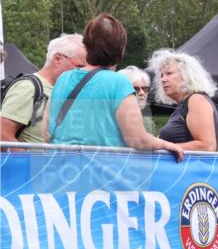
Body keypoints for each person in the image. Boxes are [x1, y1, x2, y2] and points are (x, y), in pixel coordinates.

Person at [42, 15, 183, 160]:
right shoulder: (119, 83)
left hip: (60, 171)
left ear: (87, 45)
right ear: (121, 49)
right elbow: (137, 140)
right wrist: (166, 145)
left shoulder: (63, 79)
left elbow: (45, 132)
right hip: (101, 174)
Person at [1, 33, 86, 144]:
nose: (84, 73)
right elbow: (2, 135)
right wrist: (35, 160)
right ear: (57, 59)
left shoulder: (66, 91)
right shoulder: (28, 87)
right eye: (80, 67)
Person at [151, 49, 218, 152]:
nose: (163, 79)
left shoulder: (196, 100)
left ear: (187, 75)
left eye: (169, 73)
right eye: (162, 75)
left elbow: (207, 146)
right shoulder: (185, 105)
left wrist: (163, 145)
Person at [117, 66, 155, 134]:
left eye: (144, 88)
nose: (142, 93)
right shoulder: (115, 118)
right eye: (135, 89)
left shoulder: (145, 113)